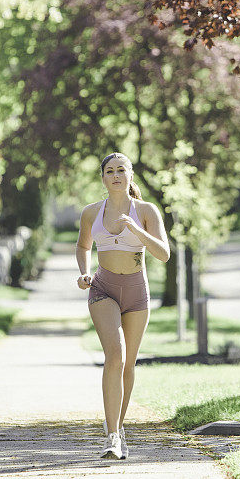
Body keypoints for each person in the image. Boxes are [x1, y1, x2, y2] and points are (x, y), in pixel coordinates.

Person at [75, 153, 170, 459]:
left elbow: (164, 254)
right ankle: (112, 435)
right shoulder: (92, 212)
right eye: (109, 171)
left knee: (129, 363)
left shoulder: (146, 210)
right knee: (115, 355)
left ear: (131, 176)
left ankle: (120, 426)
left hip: (136, 293)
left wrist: (135, 228)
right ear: (103, 178)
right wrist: (84, 271)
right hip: (103, 289)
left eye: (121, 170)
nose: (115, 175)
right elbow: (83, 245)